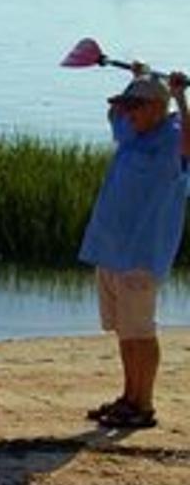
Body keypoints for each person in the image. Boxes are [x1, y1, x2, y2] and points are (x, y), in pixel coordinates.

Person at [76, 71, 190, 430]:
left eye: (134, 107)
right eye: (126, 107)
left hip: (143, 253)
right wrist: (138, 78)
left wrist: (181, 98)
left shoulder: (173, 140)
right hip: (110, 249)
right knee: (126, 332)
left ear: (157, 108)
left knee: (141, 332)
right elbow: (113, 116)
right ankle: (129, 397)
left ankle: (144, 404)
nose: (127, 114)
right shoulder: (131, 132)